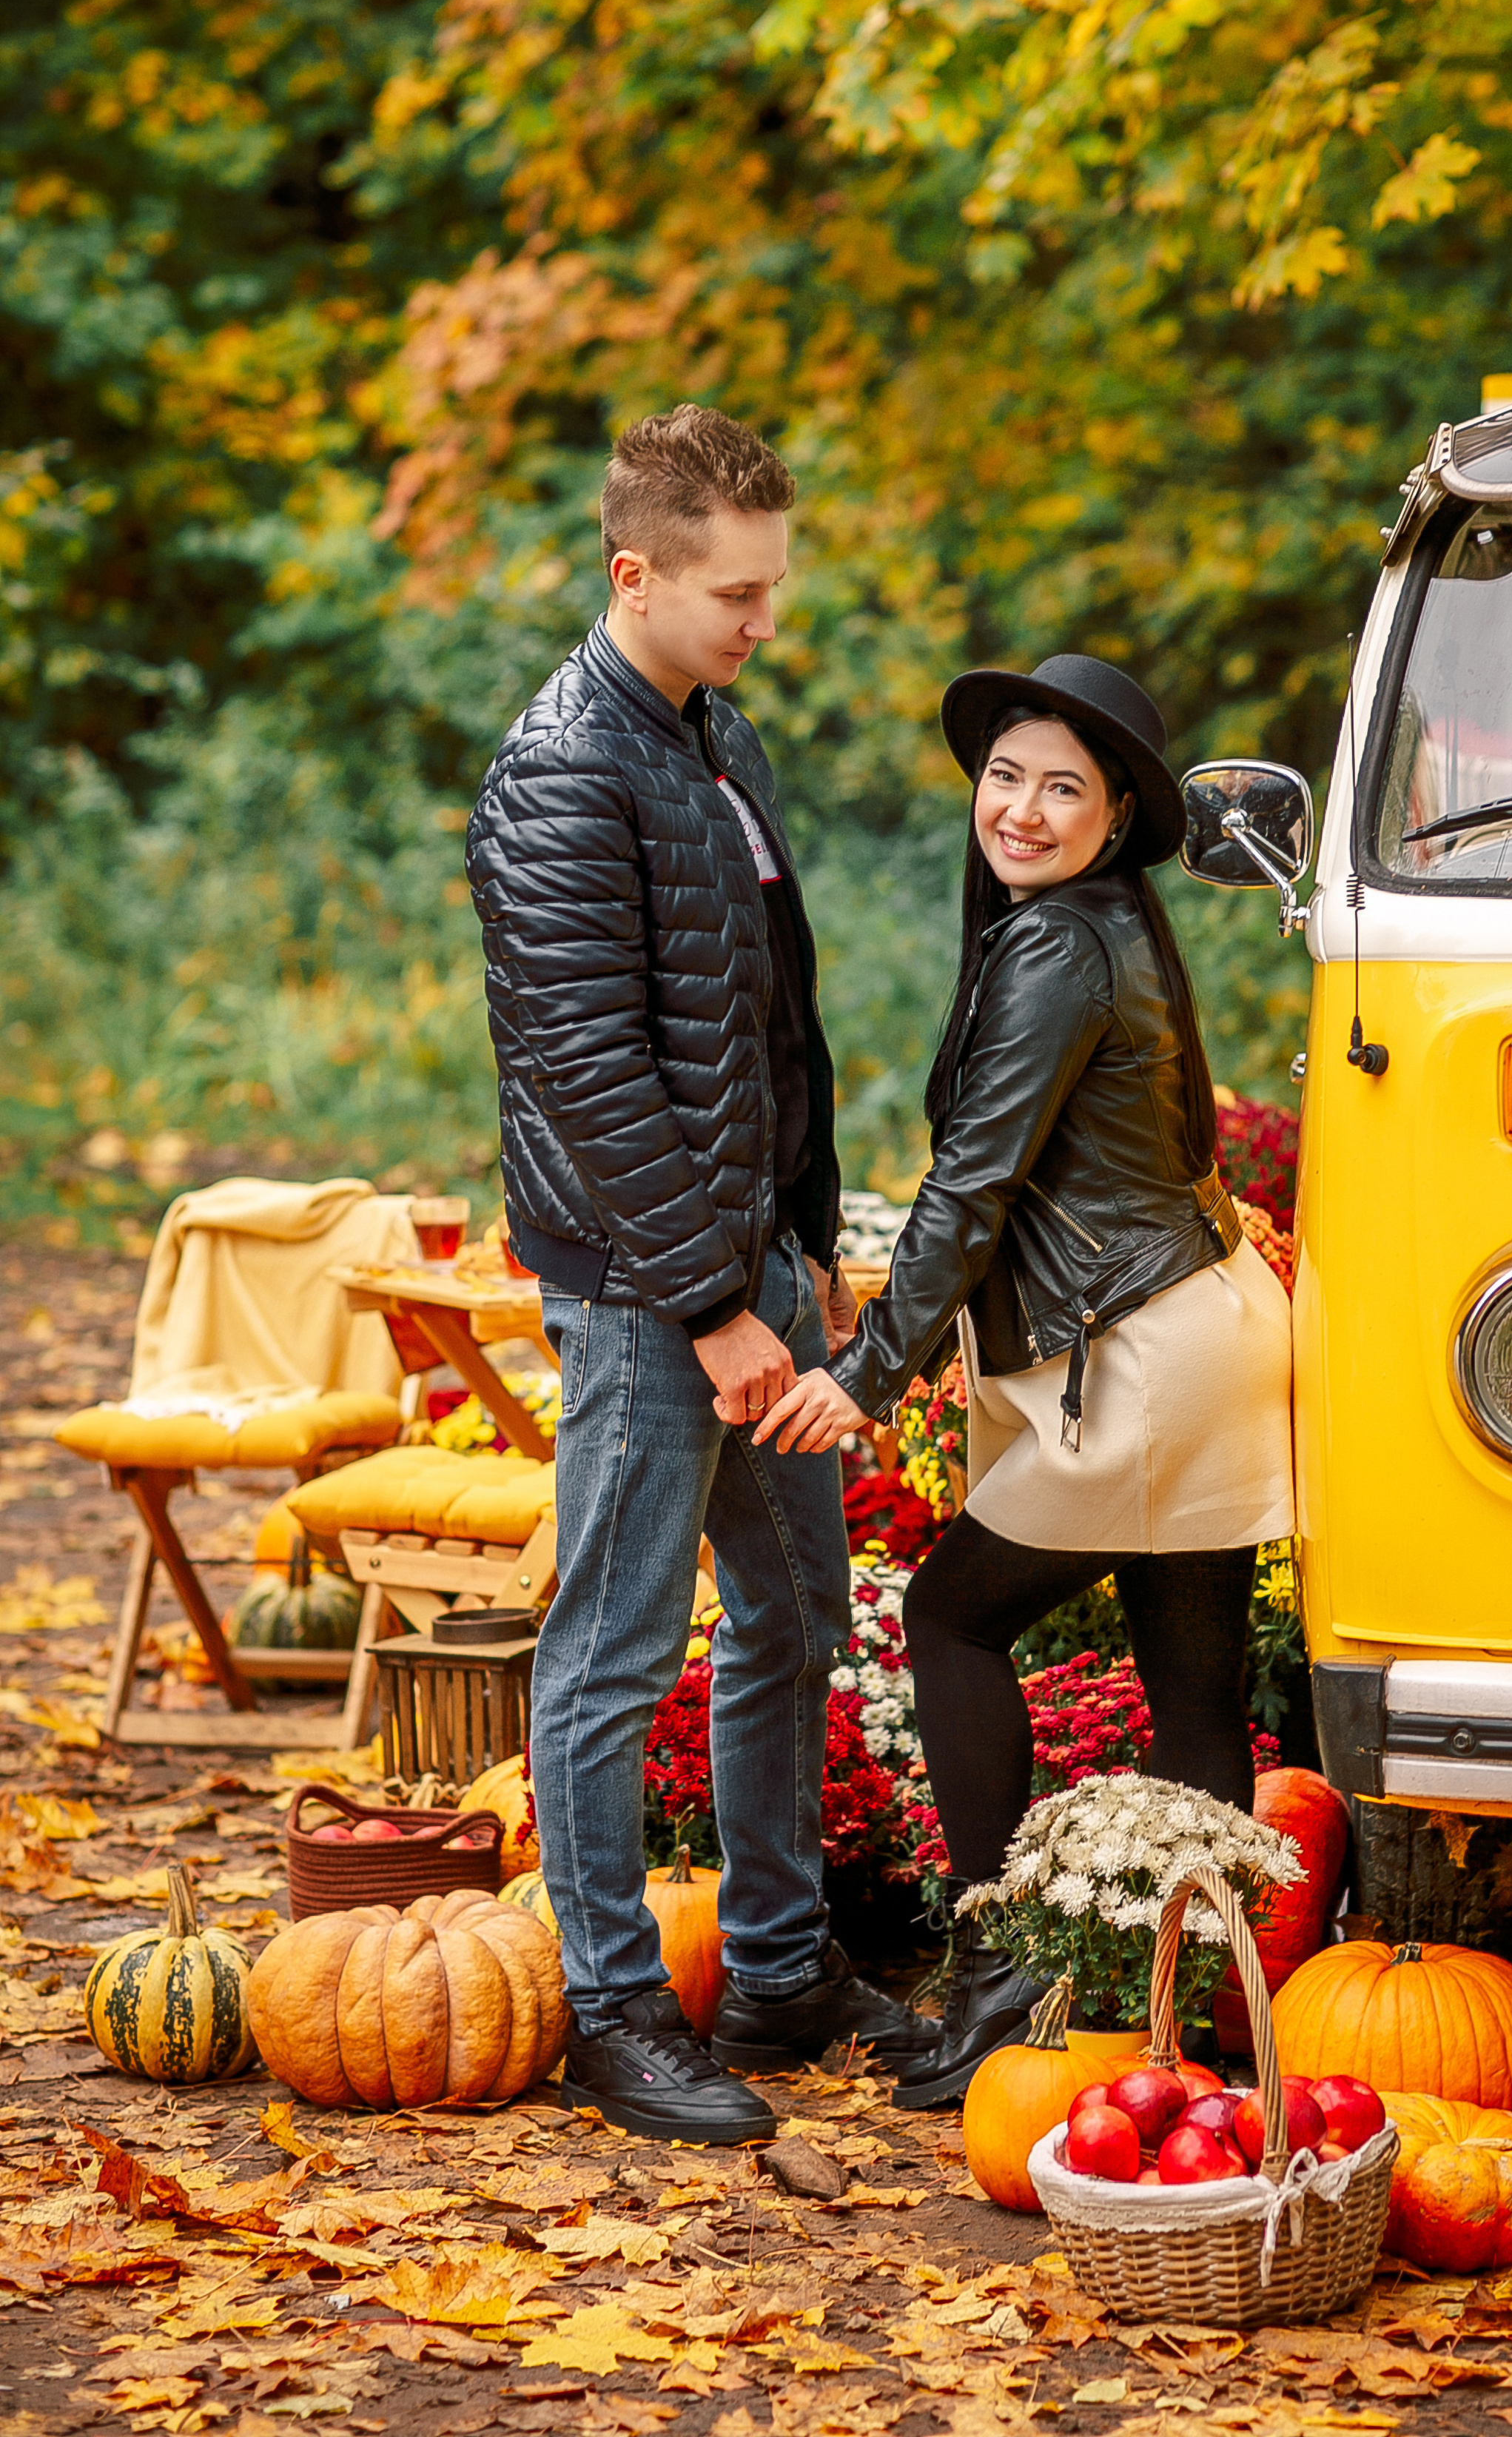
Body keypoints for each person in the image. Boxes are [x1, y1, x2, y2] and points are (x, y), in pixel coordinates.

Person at [466, 403, 930, 2145]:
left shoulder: (707, 729)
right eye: (733, 592)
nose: (761, 620)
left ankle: (781, 1966)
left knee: (795, 1621)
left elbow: (761, 1025)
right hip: (648, 1288)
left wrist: (799, 1249)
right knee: (612, 1645)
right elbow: (590, 1079)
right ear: (633, 573)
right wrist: (716, 1311)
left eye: (770, 587)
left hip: (755, 1263)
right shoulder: (561, 772)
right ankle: (609, 2010)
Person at [756, 654, 1294, 2108]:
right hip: (1195, 1323)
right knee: (1188, 1685)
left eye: (1063, 786)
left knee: (949, 1615)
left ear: (1114, 815)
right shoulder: (1093, 929)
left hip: (1143, 1356)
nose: (1023, 808)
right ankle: (1188, 2035)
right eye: (1004, 775)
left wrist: (869, 1370)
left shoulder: (1058, 946)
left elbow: (971, 1188)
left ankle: (995, 1983)